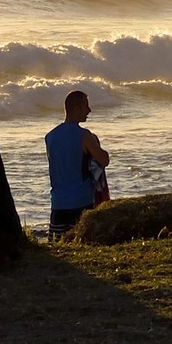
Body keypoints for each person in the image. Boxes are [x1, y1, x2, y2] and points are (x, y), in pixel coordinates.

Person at [44, 90, 110, 239]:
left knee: (58, 246)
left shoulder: (50, 137)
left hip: (58, 203)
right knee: (82, 245)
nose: (89, 110)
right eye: (86, 106)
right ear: (76, 109)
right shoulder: (84, 136)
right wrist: (95, 141)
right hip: (81, 201)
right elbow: (104, 160)